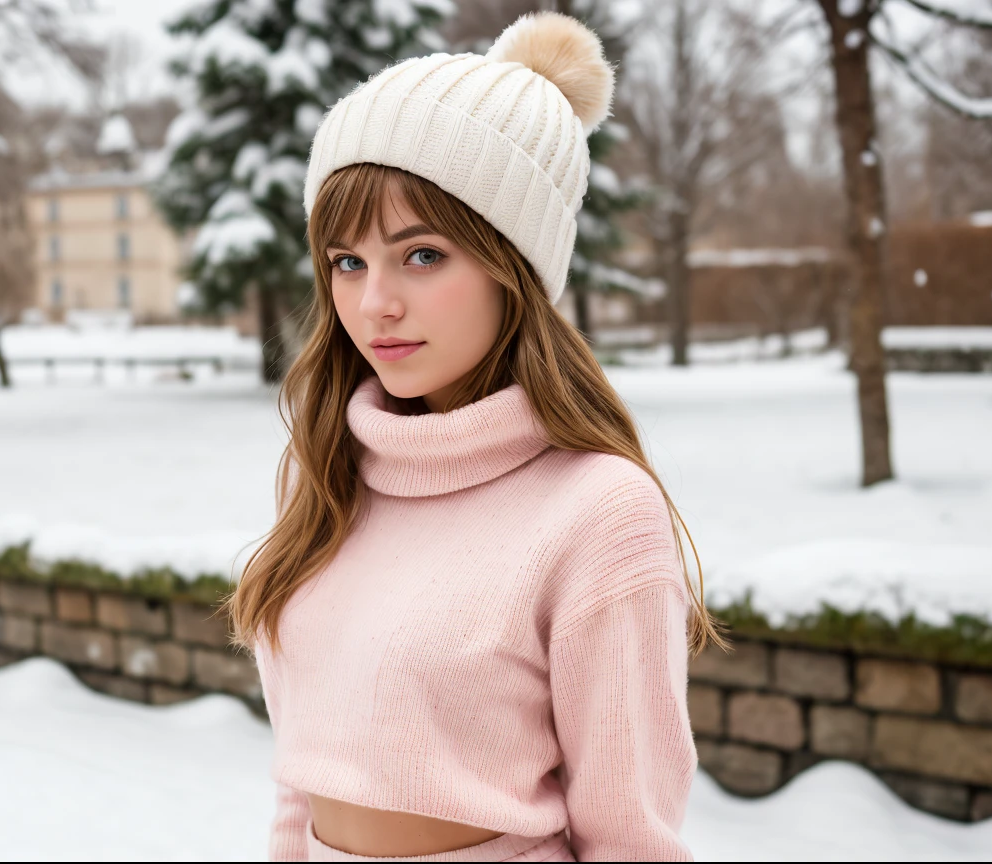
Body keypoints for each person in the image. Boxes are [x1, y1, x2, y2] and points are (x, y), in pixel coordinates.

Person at [227, 11, 724, 862]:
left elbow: (631, 837)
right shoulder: (327, 477)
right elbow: (301, 773)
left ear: (512, 264)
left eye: (421, 255)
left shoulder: (598, 511)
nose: (374, 302)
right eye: (347, 262)